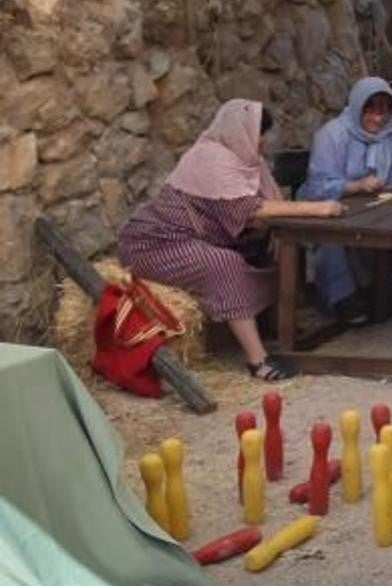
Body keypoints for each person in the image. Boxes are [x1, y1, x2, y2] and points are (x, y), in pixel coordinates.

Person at [119, 100, 344, 381]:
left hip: (194, 238)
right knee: (224, 265)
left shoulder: (248, 161)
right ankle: (258, 362)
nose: (262, 141)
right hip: (155, 243)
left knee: (275, 252)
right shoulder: (210, 158)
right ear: (239, 130)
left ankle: (278, 328)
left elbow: (269, 203)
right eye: (258, 133)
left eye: (263, 134)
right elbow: (249, 210)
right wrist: (317, 208)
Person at [298, 77, 392, 322]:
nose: (379, 119)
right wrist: (356, 185)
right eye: (371, 110)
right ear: (357, 107)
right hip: (333, 205)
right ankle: (342, 298)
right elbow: (318, 187)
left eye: (384, 111)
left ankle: (391, 286)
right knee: (331, 237)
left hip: (375, 205)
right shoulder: (331, 135)